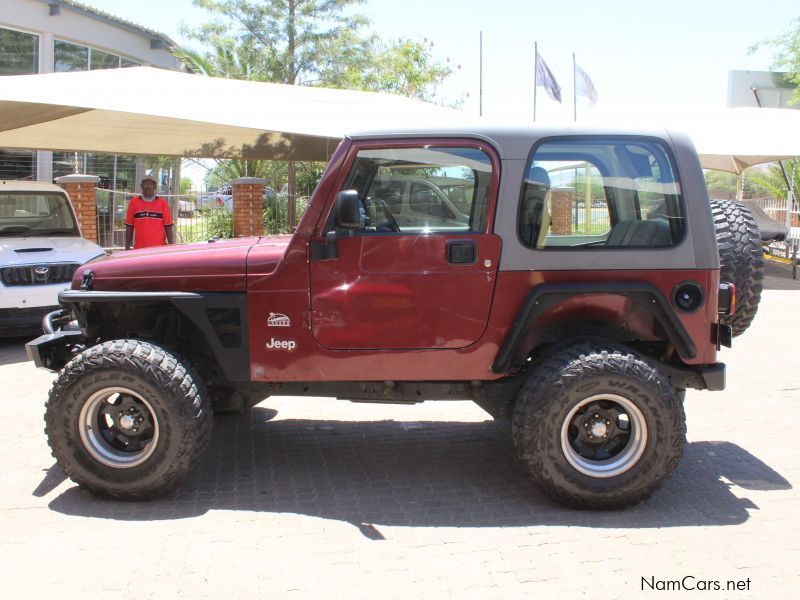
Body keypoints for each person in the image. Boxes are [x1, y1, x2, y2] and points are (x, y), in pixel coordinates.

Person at [124, 175, 174, 250]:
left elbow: (168, 226)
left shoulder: (163, 203)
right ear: (141, 186)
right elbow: (129, 226)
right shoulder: (133, 202)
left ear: (155, 187)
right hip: (139, 249)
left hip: (159, 249)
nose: (148, 186)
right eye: (145, 184)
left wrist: (171, 246)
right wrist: (127, 246)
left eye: (151, 184)